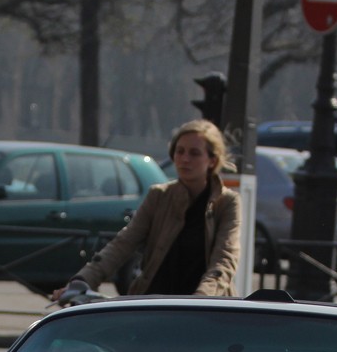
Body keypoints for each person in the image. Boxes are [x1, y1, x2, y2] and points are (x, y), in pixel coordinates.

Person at [53, 119, 241, 300]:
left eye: (194, 153)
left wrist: (201, 299)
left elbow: (224, 260)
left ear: (212, 161)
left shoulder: (226, 203)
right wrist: (83, 280)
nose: (184, 159)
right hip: (155, 302)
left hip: (202, 310)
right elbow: (124, 242)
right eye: (179, 151)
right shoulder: (159, 196)